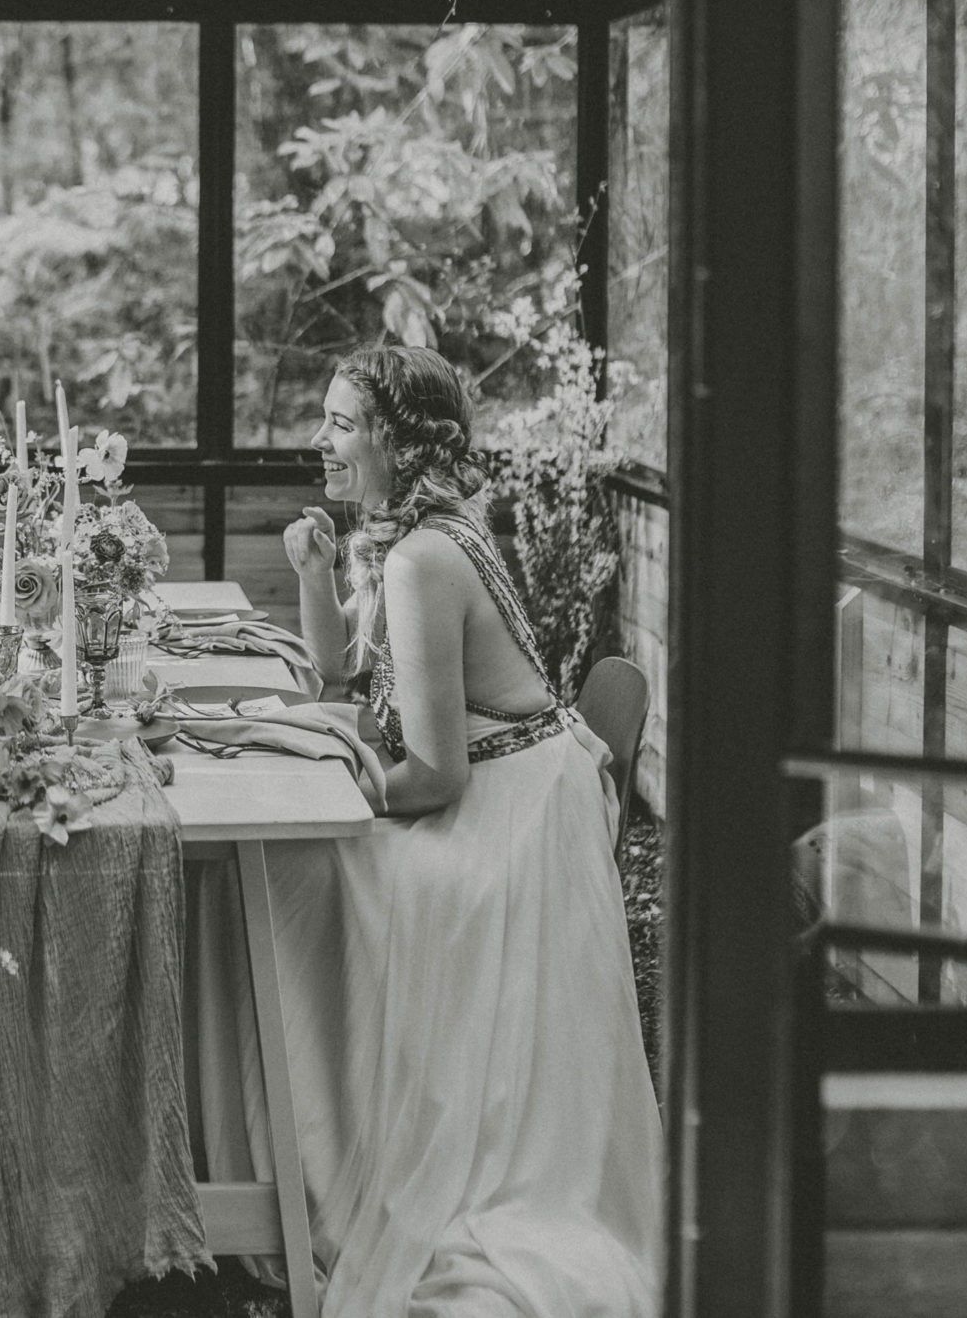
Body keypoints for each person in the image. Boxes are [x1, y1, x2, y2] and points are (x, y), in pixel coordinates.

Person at [210, 343, 663, 1315]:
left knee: (291, 878)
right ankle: (284, 1163)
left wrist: (333, 779)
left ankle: (312, 1169)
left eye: (337, 422)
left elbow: (434, 775)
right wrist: (315, 568)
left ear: (392, 439)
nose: (317, 440)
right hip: (503, 783)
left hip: (512, 814)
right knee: (288, 863)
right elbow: (337, 674)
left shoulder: (421, 558)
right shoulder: (400, 533)